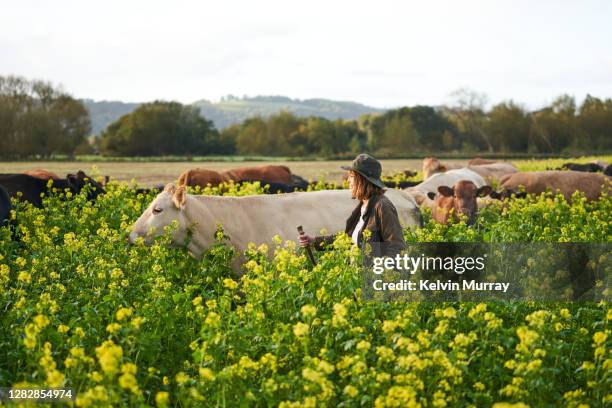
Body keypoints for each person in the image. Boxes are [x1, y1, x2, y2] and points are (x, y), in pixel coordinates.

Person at [298, 153, 406, 257]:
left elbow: (396, 247)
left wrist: (382, 271)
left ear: (362, 180)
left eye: (351, 176)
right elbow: (348, 238)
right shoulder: (364, 205)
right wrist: (314, 241)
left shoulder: (382, 206)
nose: (348, 180)